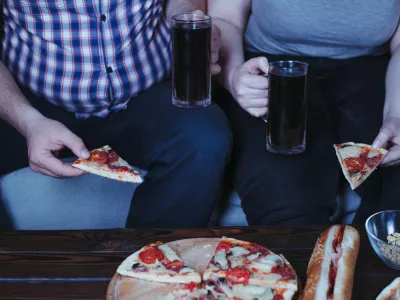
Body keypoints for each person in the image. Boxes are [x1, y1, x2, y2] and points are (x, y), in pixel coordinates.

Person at [0, 0, 231, 228]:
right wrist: (28, 121)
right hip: (34, 106)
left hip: (145, 96)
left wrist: (188, 19)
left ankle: (150, 261)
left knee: (204, 136)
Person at [208, 0, 400, 226]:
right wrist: (233, 77)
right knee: (287, 197)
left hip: (374, 68)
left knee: (393, 187)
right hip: (271, 65)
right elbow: (226, 18)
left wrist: (396, 114)